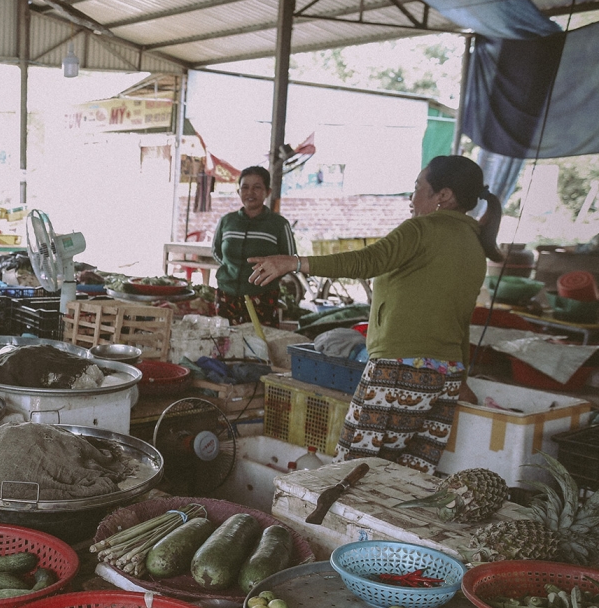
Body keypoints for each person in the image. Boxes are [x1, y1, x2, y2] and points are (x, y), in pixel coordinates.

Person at [247, 155, 503, 474]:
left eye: (417, 188)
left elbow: (367, 261)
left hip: (399, 371)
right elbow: (460, 321)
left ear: (444, 196)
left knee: (353, 472)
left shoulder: (422, 228)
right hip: (445, 378)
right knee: (407, 478)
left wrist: (294, 263)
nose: (412, 198)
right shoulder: (474, 245)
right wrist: (461, 377)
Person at [211, 165, 297, 325]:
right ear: (238, 192)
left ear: (267, 192)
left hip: (262, 297)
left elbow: (290, 259)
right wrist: (233, 270)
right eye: (245, 187)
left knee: (259, 345)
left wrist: (266, 276)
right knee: (225, 343)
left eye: (257, 187)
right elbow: (216, 251)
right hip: (226, 295)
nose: (250, 193)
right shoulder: (227, 221)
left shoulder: (279, 224)